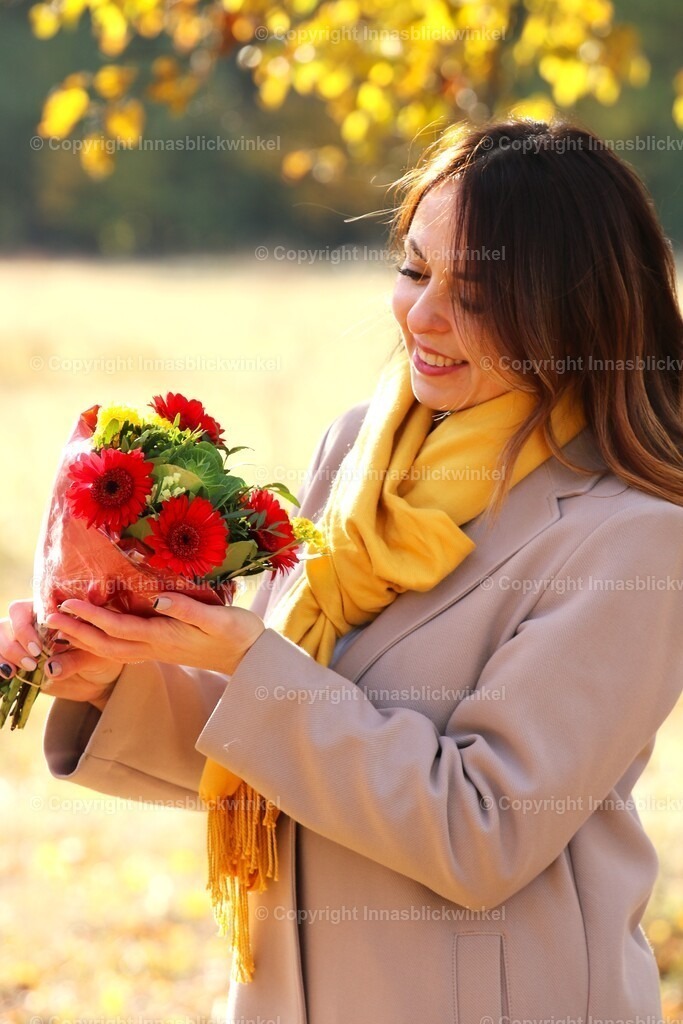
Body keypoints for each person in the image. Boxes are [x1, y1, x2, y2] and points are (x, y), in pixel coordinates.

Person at [2, 117, 683, 1022]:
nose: (423, 318)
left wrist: (248, 663)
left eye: (476, 295)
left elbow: (483, 829)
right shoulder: (358, 452)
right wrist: (110, 675)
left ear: (572, 308)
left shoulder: (634, 538)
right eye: (412, 270)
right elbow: (273, 744)